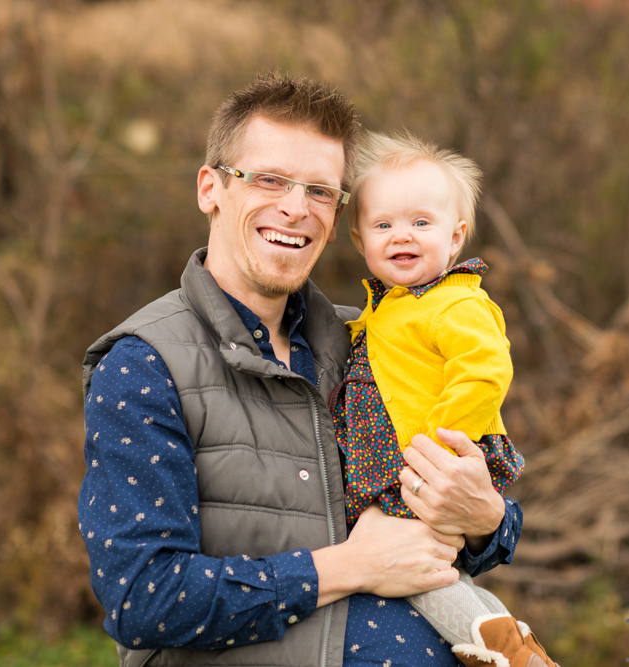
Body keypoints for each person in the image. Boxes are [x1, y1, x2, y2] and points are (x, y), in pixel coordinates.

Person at [78, 73, 523, 667]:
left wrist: (486, 518)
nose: (295, 207)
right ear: (211, 188)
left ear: (338, 219)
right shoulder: (145, 365)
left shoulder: (362, 344)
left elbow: (472, 533)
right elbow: (144, 599)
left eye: (320, 190)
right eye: (269, 179)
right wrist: (349, 567)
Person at [332, 131, 559, 667]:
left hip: (425, 465)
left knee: (420, 571)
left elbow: (484, 370)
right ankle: (513, 641)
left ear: (455, 238)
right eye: (383, 225)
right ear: (361, 241)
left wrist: (435, 447)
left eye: (420, 223)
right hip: (404, 465)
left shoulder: (455, 302)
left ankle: (497, 647)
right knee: (436, 568)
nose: (401, 235)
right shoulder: (386, 308)